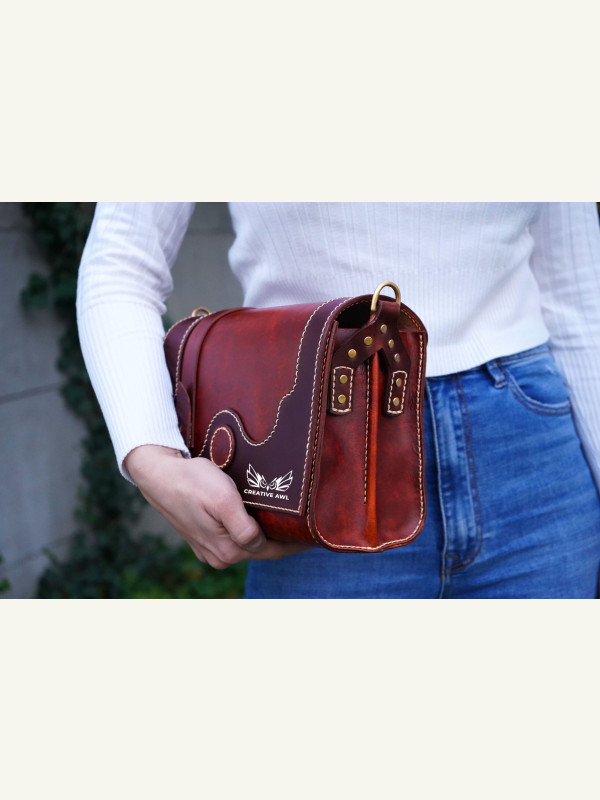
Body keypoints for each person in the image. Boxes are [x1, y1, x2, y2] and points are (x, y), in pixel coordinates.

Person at [76, 202, 600, 598]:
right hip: (319, 458)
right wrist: (153, 458)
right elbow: (122, 263)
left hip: (535, 456)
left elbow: (578, 292)